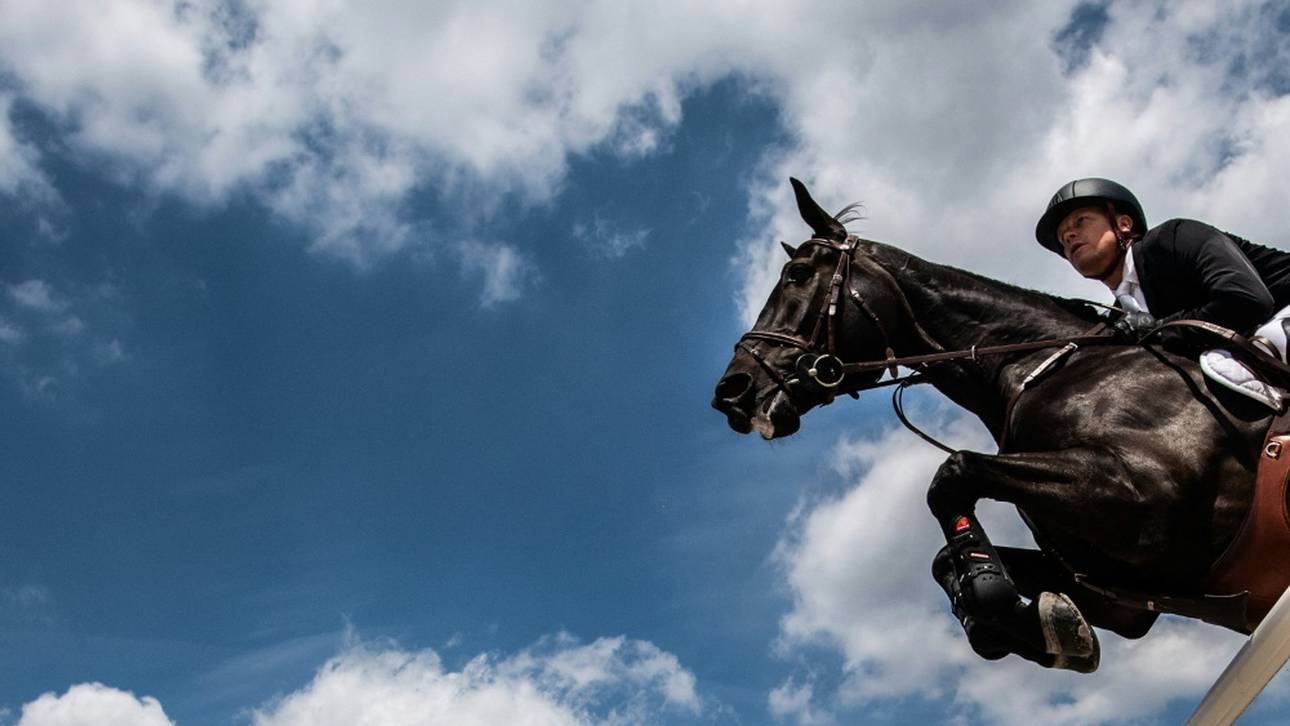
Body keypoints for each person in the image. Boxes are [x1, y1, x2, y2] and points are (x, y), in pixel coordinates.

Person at [1035, 178, 1290, 407]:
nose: (1069, 236)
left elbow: (1248, 300)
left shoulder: (1173, 238)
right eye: (1063, 239)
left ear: (1123, 223)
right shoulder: (1121, 318)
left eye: (1080, 221)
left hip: (1280, 310)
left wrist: (1159, 330)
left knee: (1242, 355)